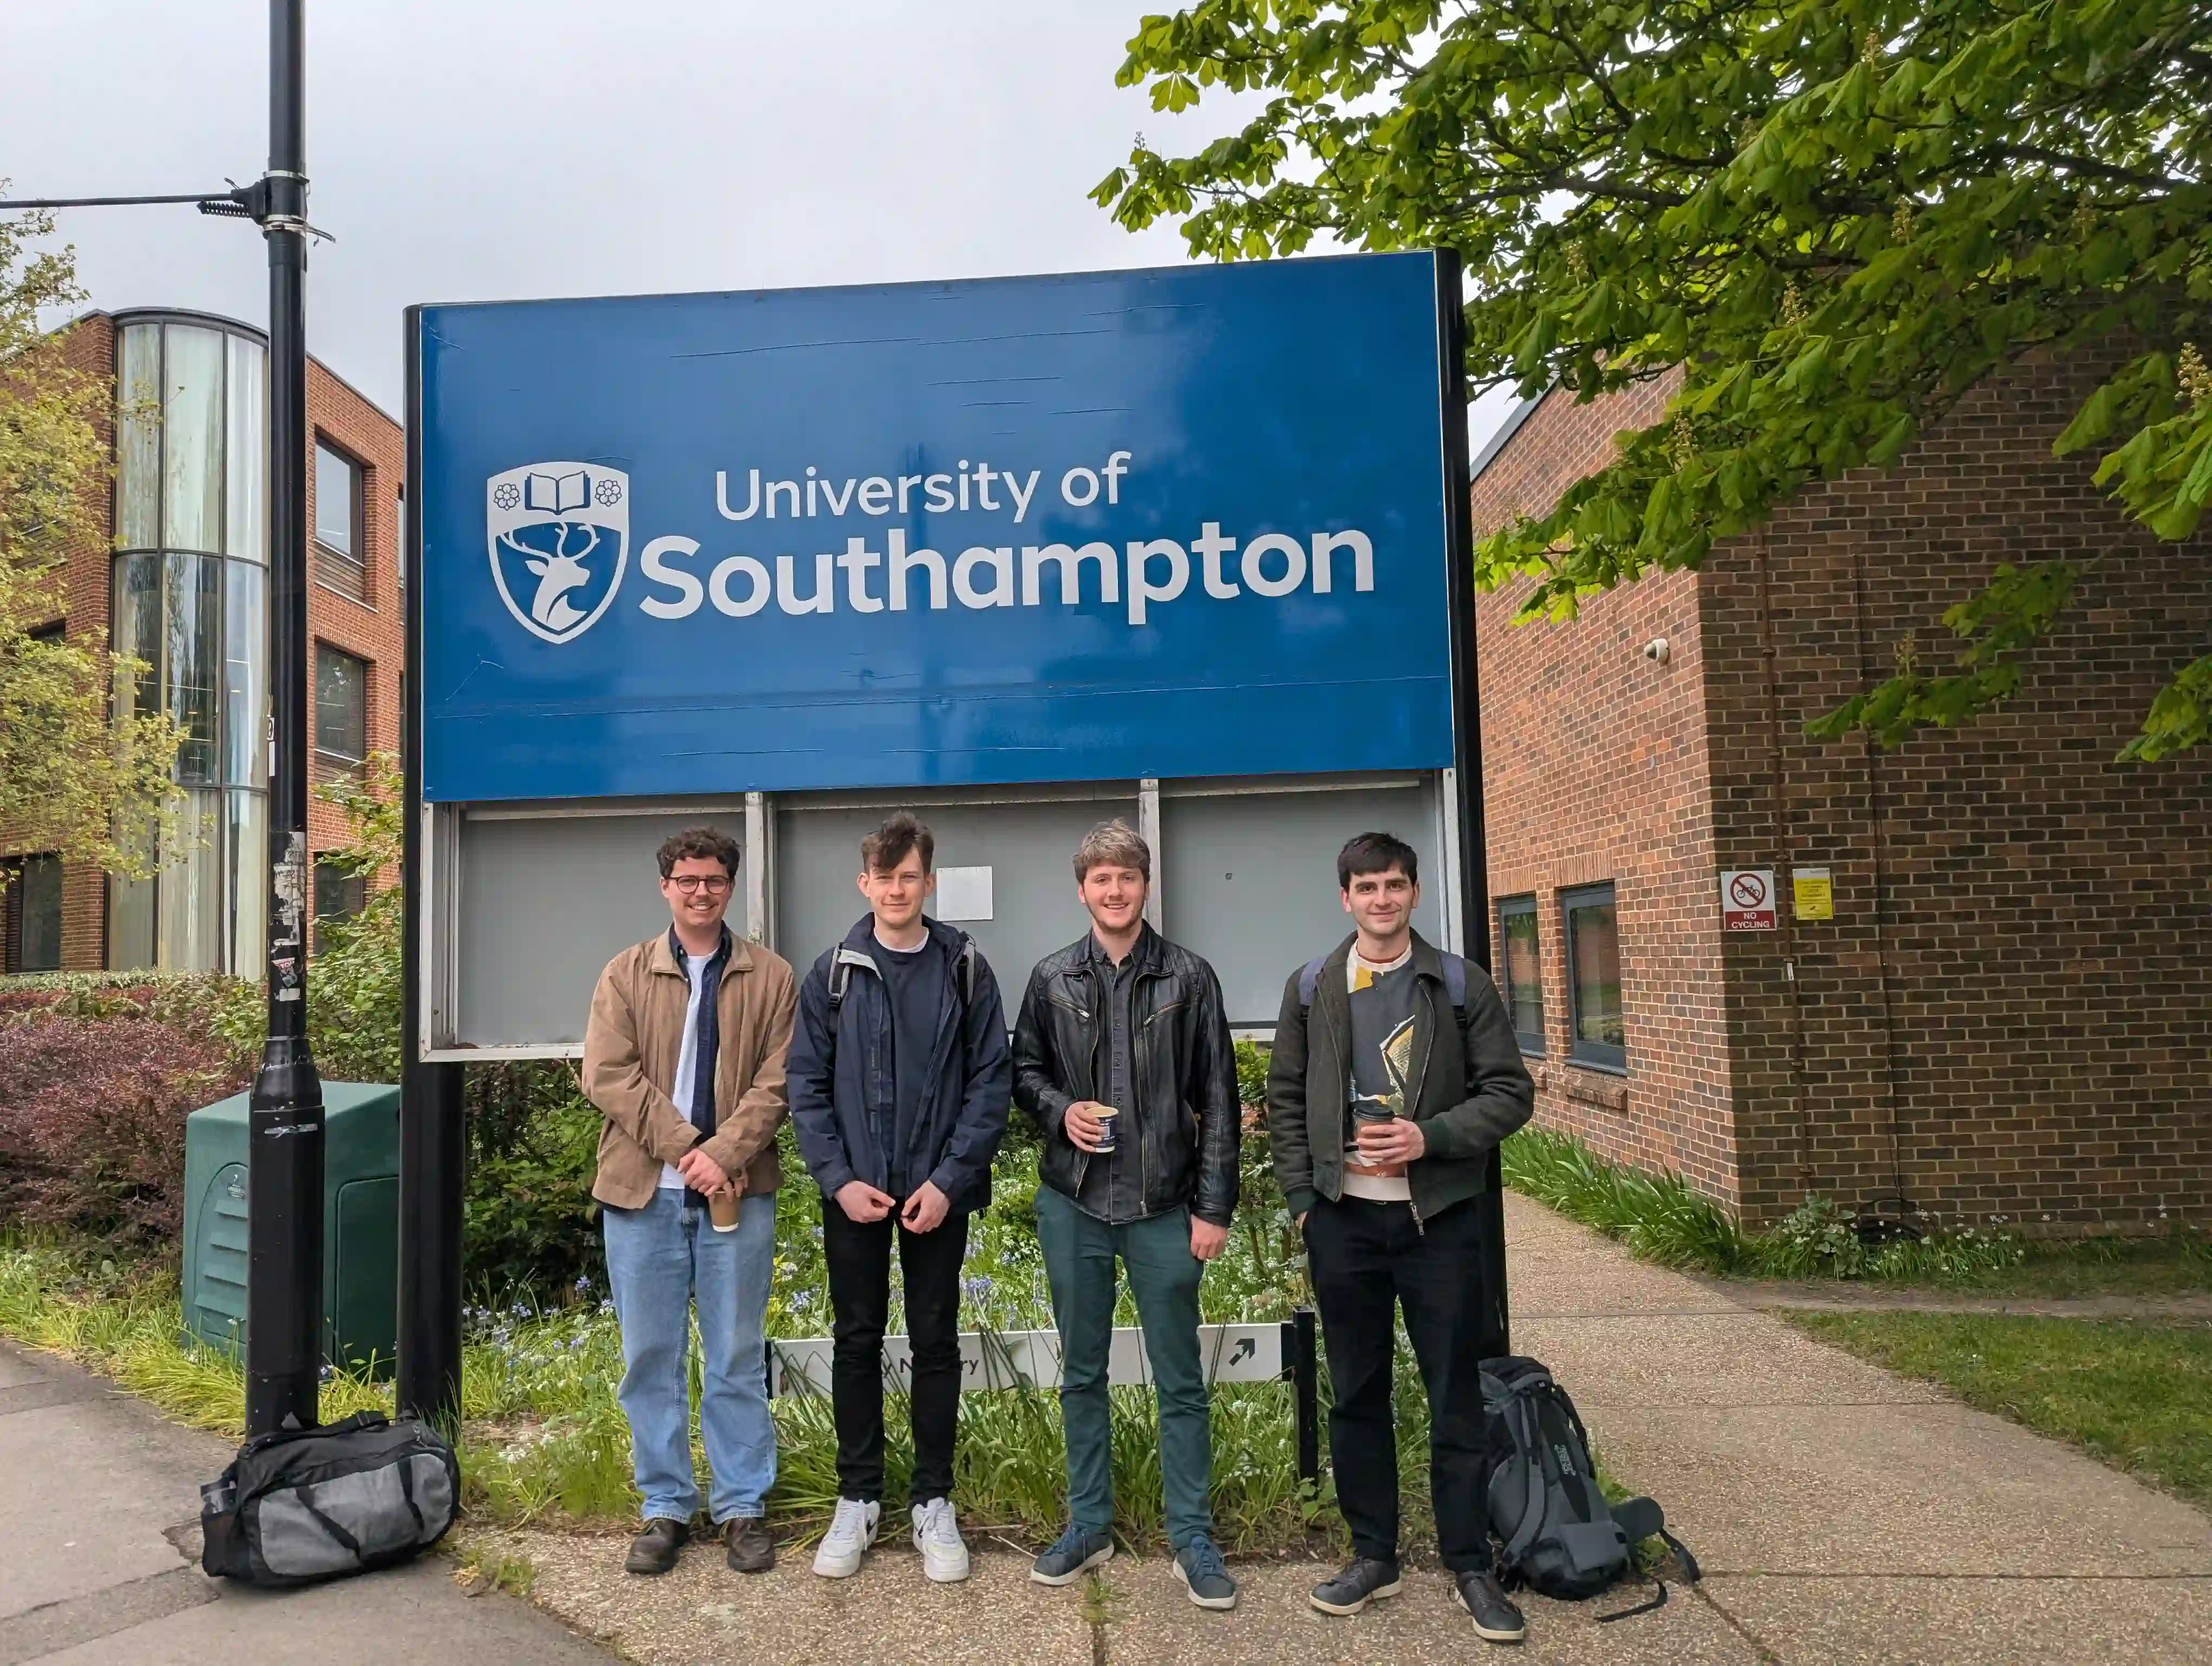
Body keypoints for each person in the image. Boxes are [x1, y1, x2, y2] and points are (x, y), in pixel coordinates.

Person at [1266, 831, 1536, 1644]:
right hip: (1344, 1222)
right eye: (1366, 887)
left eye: (1394, 885)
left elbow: (1509, 1093)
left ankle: (1469, 1563)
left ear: (1415, 893)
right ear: (1345, 898)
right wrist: (1305, 1203)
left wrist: (1430, 1138)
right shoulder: (1312, 987)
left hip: (1439, 1221)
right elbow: (1285, 1100)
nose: (1381, 900)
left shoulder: (1458, 984)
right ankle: (1373, 1556)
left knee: (1454, 1392)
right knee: (1357, 1393)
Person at [1012, 819, 1242, 1611]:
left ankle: (1192, 1537)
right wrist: (1059, 1111)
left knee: (1180, 1379)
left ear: (1146, 884)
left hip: (1163, 1206)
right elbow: (1023, 1071)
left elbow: (1219, 1098)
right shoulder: (1051, 978)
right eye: (1101, 879)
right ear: (1082, 890)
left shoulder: (1190, 977)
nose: (1115, 890)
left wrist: (1213, 1207)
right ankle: (1089, 1526)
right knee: (1081, 1375)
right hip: (1073, 1203)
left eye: (1128, 877)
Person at [786, 812, 1012, 1584]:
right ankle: (857, 1498)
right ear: (865, 884)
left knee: (936, 1342)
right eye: (884, 878)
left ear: (928, 882)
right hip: (855, 1194)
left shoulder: (965, 968)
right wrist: (838, 1180)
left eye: (908, 877)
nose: (896, 890)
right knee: (856, 1339)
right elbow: (805, 1086)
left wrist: (949, 1182)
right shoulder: (834, 974)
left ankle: (932, 1502)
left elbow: (991, 1082)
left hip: (936, 1195)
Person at [582, 826, 797, 1579]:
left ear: (730, 887)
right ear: (665, 887)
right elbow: (607, 1075)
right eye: (687, 880)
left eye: (713, 880)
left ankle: (742, 1506)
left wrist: (723, 1155)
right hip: (642, 1194)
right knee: (650, 1357)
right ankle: (666, 1505)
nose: (700, 892)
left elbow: (781, 1081)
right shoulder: (625, 973)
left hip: (739, 1193)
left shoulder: (773, 977)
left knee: (736, 1354)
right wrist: (686, 1149)